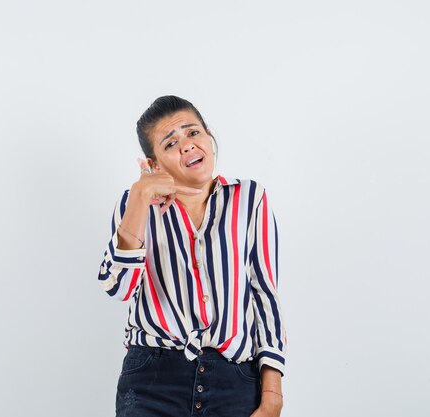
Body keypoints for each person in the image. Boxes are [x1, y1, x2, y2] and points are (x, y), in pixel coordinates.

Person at [97, 95, 287, 417]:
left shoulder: (249, 199)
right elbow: (118, 287)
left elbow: (265, 296)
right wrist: (142, 198)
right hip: (152, 379)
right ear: (153, 164)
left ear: (209, 137)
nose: (186, 145)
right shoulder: (136, 204)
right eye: (171, 143)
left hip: (235, 380)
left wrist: (272, 395)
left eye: (193, 133)